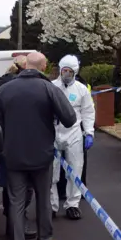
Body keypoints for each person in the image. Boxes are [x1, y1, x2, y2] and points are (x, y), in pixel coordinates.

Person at [0, 52, 77, 240]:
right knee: (43, 199)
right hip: (42, 155)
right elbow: (70, 119)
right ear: (44, 66)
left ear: (25, 65)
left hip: (13, 157)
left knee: (16, 202)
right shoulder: (49, 89)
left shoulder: (4, 90)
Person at [0, 56, 36, 240]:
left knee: (9, 186)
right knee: (24, 187)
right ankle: (18, 224)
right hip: (21, 142)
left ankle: (11, 222)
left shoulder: (1, 86)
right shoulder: (18, 87)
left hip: (2, 141)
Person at [49, 55, 95, 220]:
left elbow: (88, 112)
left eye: (70, 71)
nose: (66, 73)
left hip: (74, 132)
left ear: (75, 72)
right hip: (53, 132)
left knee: (75, 170)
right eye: (64, 70)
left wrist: (89, 132)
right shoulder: (51, 87)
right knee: (51, 172)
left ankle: (72, 204)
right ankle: (52, 206)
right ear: (60, 70)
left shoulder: (81, 89)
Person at [57, 72, 91, 200]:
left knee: (76, 163)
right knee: (65, 163)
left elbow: (87, 109)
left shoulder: (81, 86)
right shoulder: (56, 85)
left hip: (76, 127)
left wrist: (89, 132)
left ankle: (75, 192)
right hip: (66, 127)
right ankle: (65, 191)